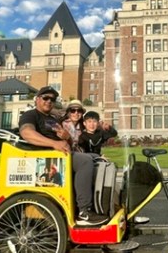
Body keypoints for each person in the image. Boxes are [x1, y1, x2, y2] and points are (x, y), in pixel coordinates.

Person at [19, 86, 108, 226]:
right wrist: (54, 143)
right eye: (45, 98)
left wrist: (67, 138)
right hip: (44, 159)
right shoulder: (30, 115)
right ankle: (84, 212)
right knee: (84, 161)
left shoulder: (53, 119)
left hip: (60, 156)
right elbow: (27, 133)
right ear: (37, 99)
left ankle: (96, 203)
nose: (49, 101)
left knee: (96, 158)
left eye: (52, 99)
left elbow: (67, 143)